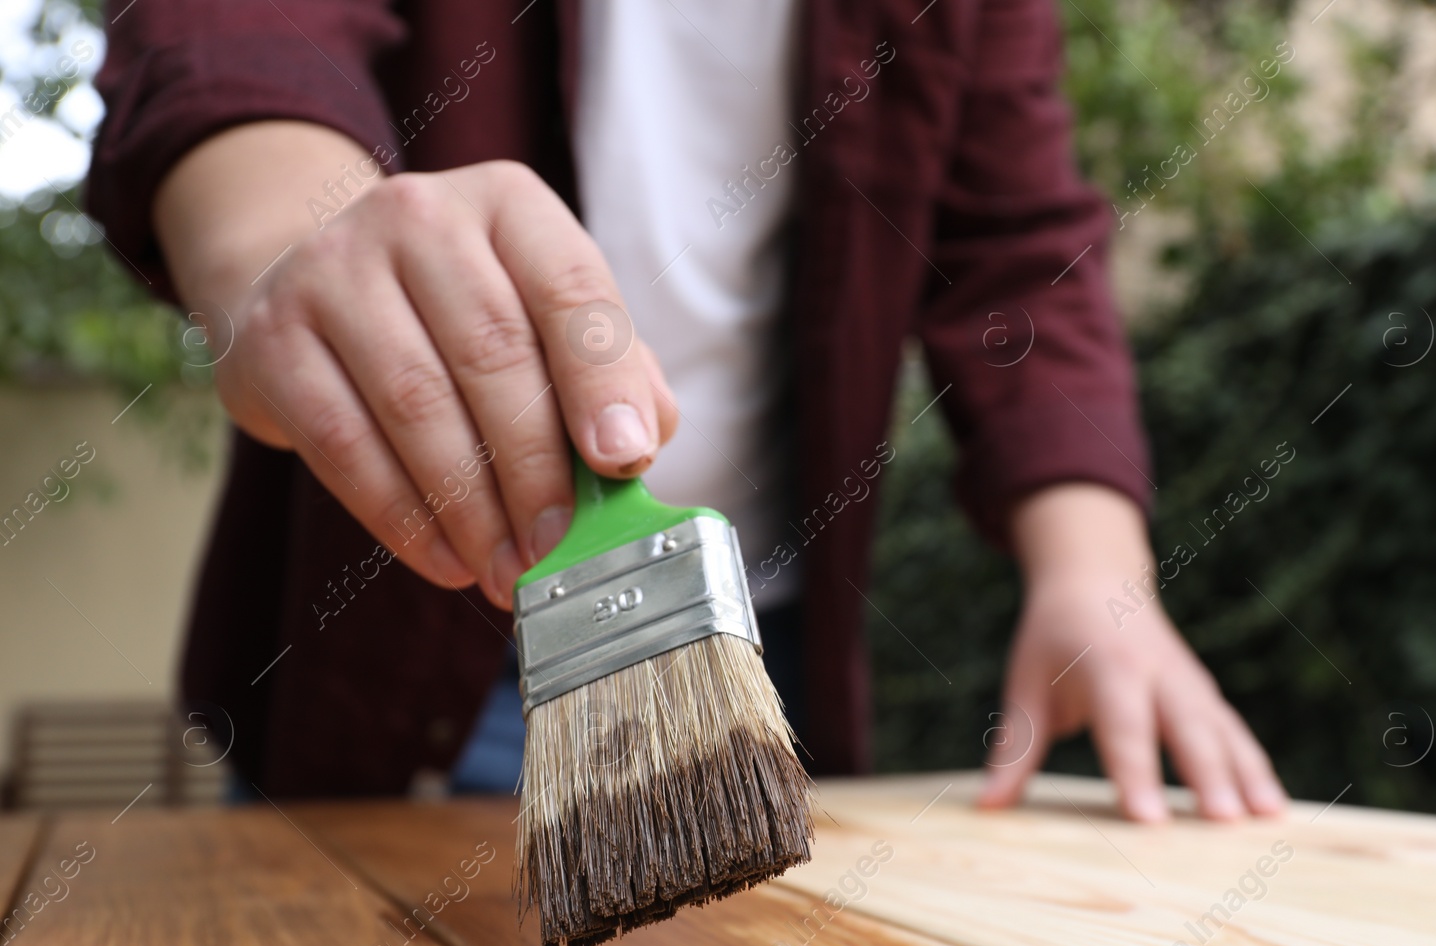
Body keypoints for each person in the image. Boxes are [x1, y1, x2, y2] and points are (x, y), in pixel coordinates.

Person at [88, 0, 1286, 821]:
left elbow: (1020, 251)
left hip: (765, 648)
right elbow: (231, 24)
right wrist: (281, 230)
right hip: (408, 643)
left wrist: (1093, 563)